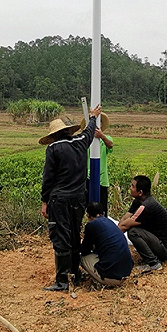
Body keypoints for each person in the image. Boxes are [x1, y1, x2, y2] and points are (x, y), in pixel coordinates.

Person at [40, 104, 102, 292]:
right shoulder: (81, 142)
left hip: (60, 200)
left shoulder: (53, 149)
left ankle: (61, 281)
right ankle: (75, 273)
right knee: (75, 235)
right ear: (68, 131)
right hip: (78, 199)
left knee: (61, 237)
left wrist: (44, 201)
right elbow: (89, 132)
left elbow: (48, 178)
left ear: (54, 135)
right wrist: (93, 117)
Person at [118, 175, 167, 273]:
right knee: (132, 228)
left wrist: (107, 242)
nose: (130, 188)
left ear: (140, 192)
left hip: (165, 249)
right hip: (156, 241)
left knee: (133, 232)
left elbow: (124, 226)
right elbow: (124, 219)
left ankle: (154, 264)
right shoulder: (138, 201)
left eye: (132, 186)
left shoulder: (147, 206)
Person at [80, 201, 133, 287]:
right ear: (103, 213)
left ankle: (101, 280)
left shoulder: (91, 225)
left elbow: (85, 250)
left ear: (88, 215)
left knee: (83, 258)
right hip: (126, 273)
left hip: (112, 278)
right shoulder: (110, 222)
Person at [80, 112, 113, 214]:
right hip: (86, 178)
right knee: (84, 207)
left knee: (102, 209)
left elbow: (110, 145)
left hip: (102, 179)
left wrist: (102, 136)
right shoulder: (85, 139)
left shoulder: (106, 138)